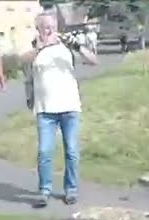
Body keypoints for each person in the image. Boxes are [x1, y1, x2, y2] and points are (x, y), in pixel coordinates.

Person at [22, 12, 98, 209]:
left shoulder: (66, 45)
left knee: (72, 151)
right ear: (38, 28)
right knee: (45, 151)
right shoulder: (34, 48)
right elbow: (22, 60)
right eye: (45, 27)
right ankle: (44, 190)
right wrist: (41, 46)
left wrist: (78, 46)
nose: (49, 30)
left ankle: (71, 189)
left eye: (52, 26)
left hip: (69, 107)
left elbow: (93, 61)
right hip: (45, 109)